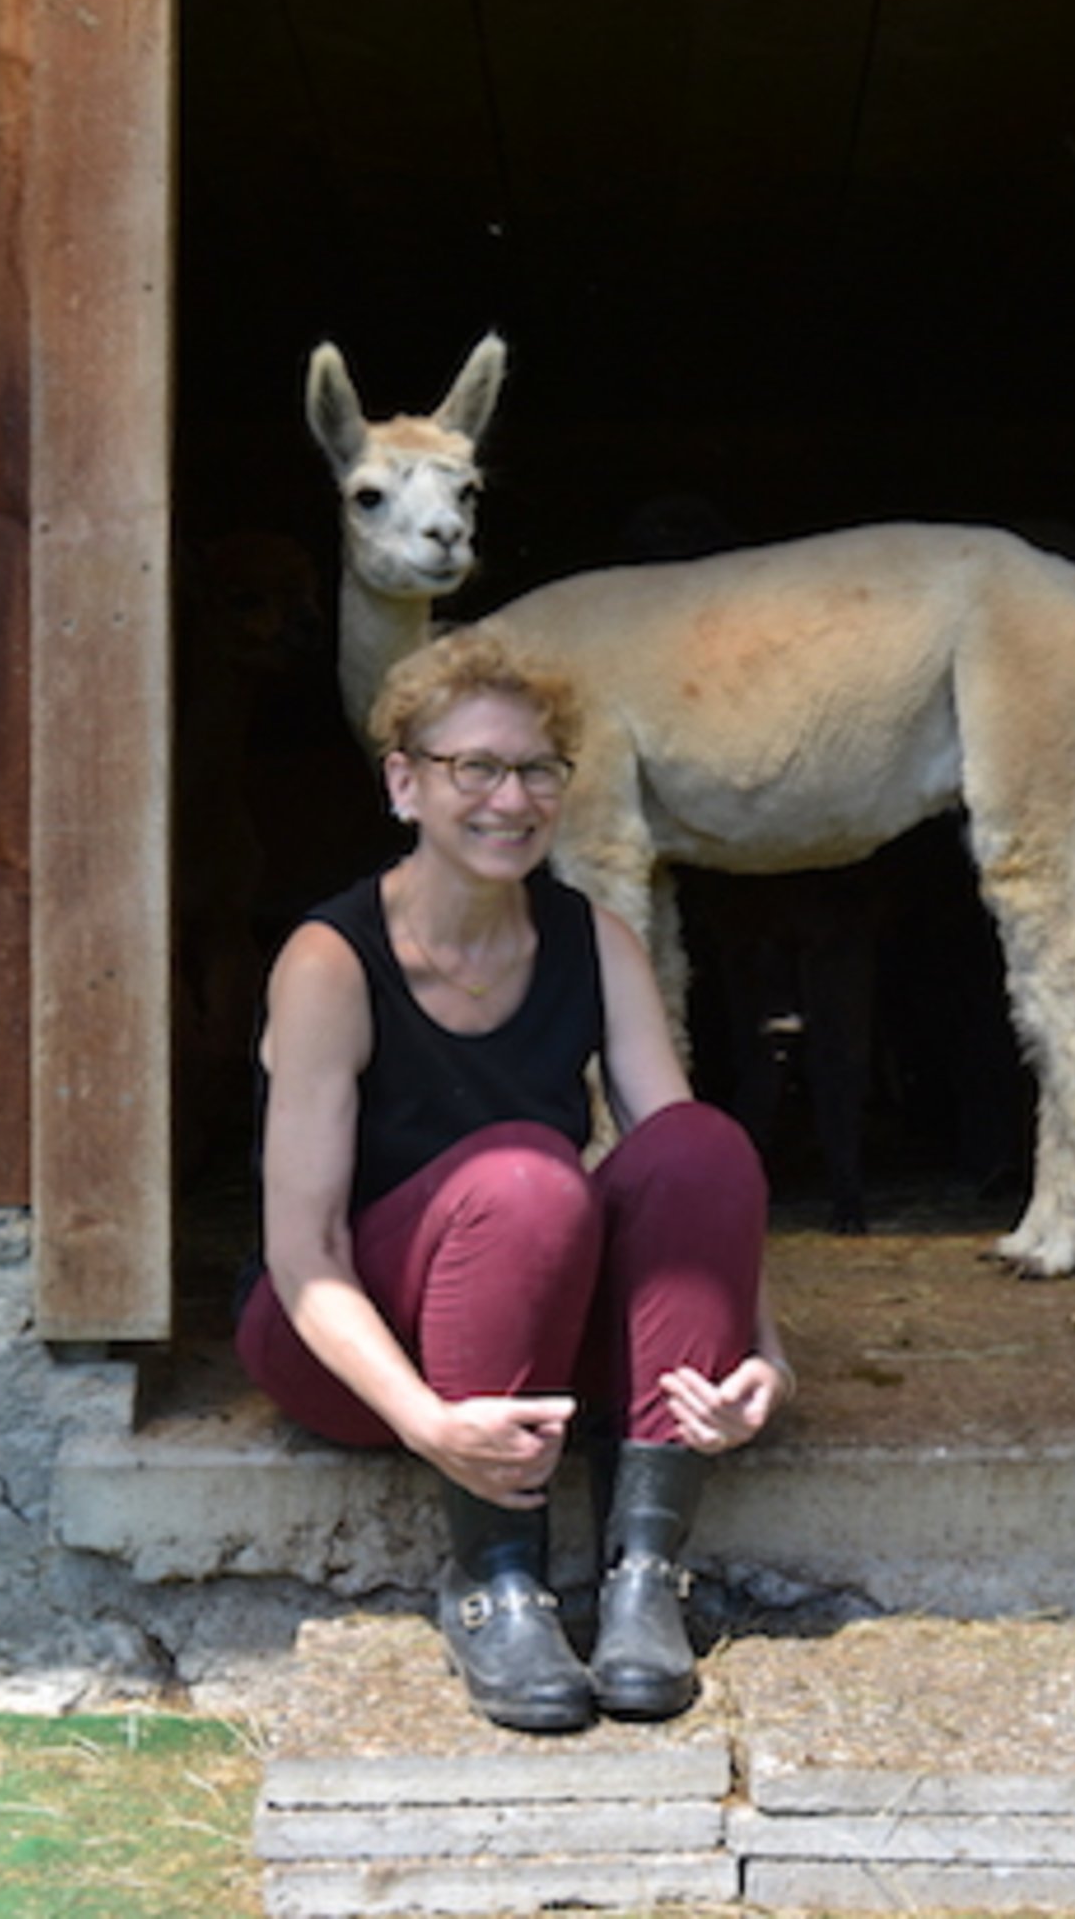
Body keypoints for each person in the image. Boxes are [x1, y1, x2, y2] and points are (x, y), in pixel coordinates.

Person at [234, 626, 794, 1733]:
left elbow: (692, 1180)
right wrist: (425, 1422)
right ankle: (493, 1578)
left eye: (537, 769)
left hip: (525, 1313)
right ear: (405, 783)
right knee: (532, 1174)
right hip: (348, 1343)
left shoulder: (592, 938)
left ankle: (643, 1575)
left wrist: (766, 1354)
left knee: (702, 1143)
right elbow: (305, 1256)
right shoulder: (329, 960)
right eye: (473, 769)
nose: (510, 798)